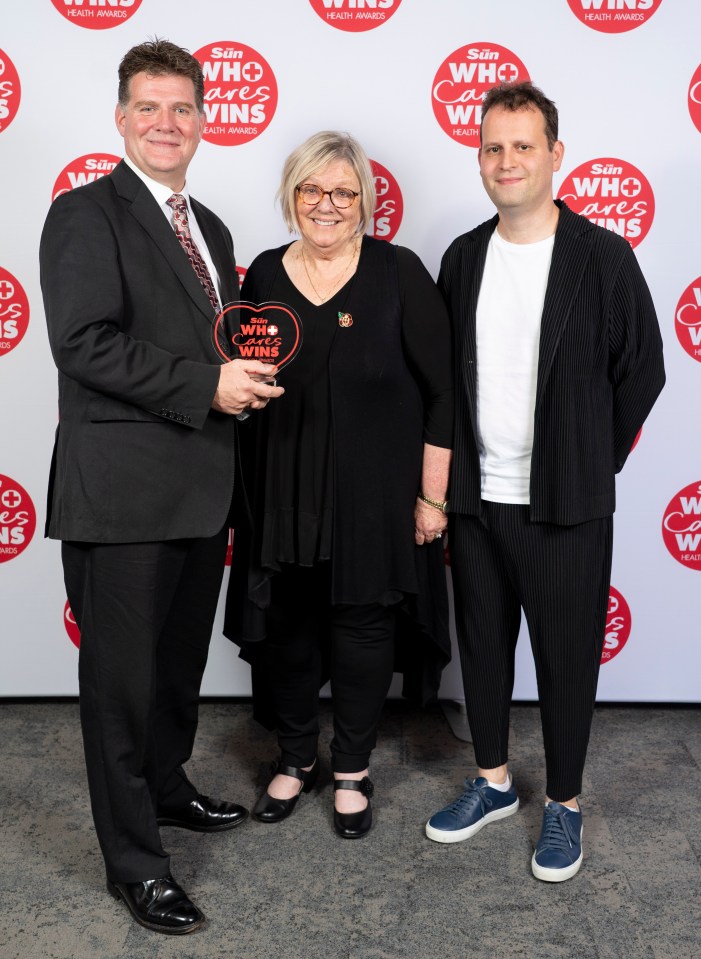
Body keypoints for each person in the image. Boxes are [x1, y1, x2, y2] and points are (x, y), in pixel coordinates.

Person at [39, 39, 283, 935]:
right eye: (149, 106)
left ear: (203, 119)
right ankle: (135, 862)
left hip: (198, 487)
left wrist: (241, 382)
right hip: (120, 495)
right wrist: (205, 386)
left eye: (182, 107)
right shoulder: (84, 214)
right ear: (120, 117)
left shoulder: (210, 228)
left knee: (176, 669)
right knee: (120, 685)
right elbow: (84, 343)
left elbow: (207, 346)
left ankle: (168, 787)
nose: (166, 122)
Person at [425, 82, 664, 881]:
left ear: (554, 155)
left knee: (567, 659)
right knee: (483, 651)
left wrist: (589, 458)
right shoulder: (462, 256)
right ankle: (492, 782)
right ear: (479, 156)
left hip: (563, 502)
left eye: (523, 145)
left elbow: (643, 370)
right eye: (493, 146)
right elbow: (442, 381)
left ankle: (562, 803)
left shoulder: (601, 255)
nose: (507, 160)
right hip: (476, 497)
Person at [225, 131, 453, 839]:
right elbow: (238, 380)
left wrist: (432, 497)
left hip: (375, 495)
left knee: (362, 631)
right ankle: (295, 756)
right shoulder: (262, 274)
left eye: (343, 192)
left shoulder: (397, 271)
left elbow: (443, 394)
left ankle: (351, 768)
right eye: (311, 190)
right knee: (288, 629)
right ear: (291, 196)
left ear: (365, 202)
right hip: (282, 489)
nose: (326, 205)